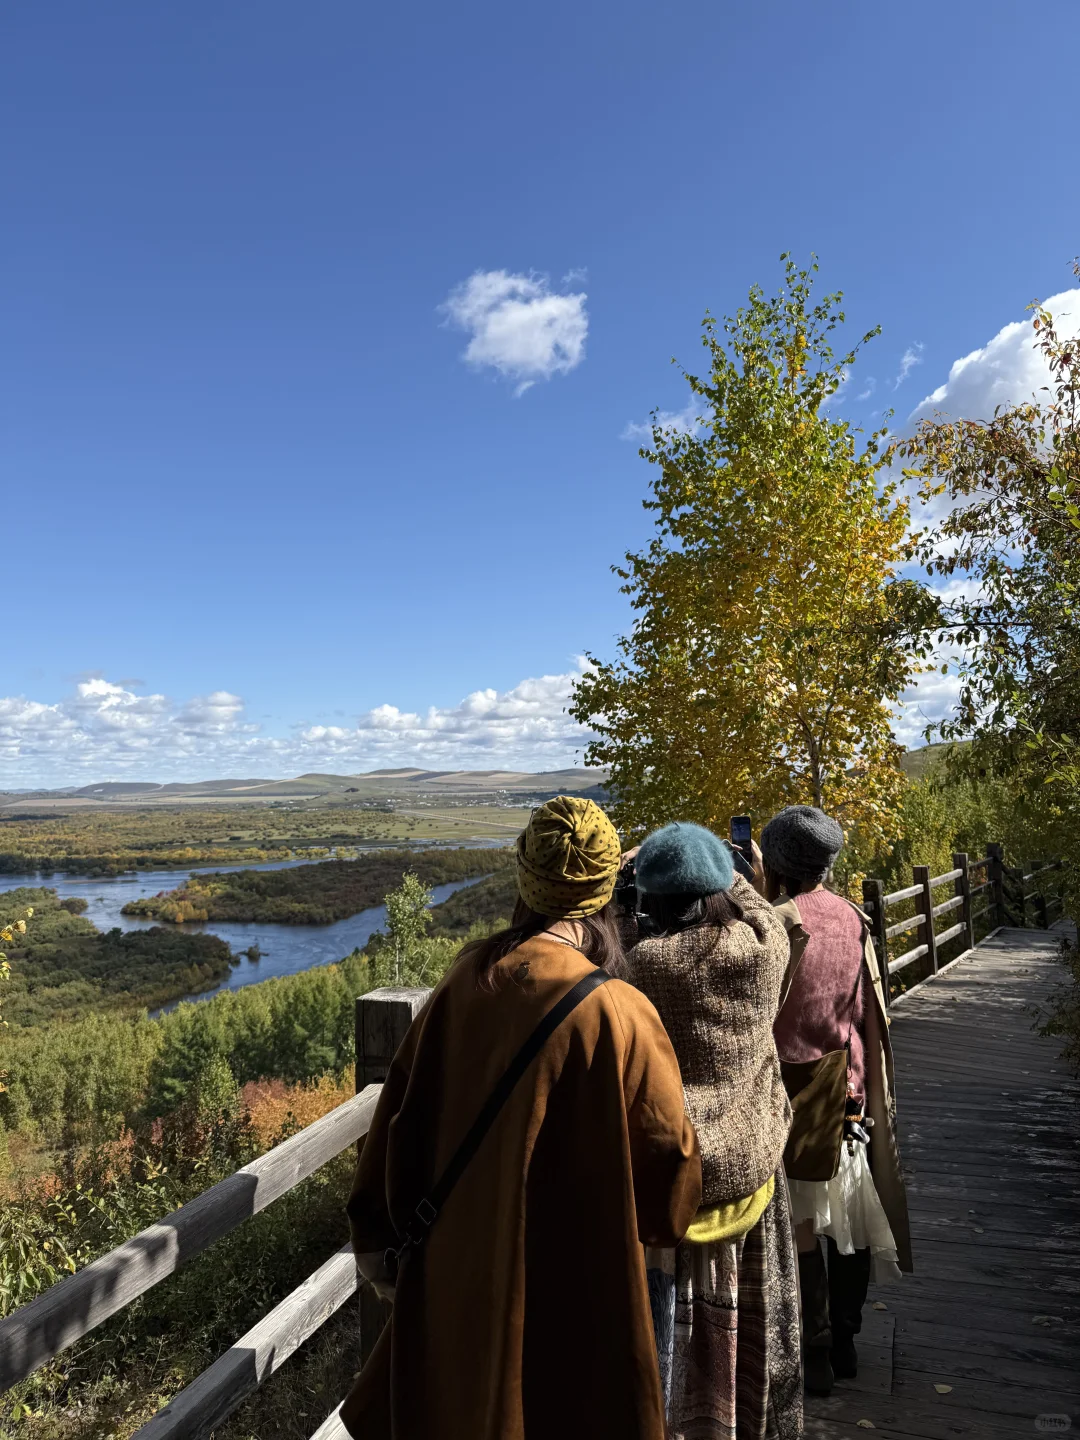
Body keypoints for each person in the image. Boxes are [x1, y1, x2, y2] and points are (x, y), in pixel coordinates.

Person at [341, 796, 703, 1440]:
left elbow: (397, 1117)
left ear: (527, 880)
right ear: (604, 892)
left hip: (459, 1285)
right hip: (583, 1293)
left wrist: (377, 1239)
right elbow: (670, 1175)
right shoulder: (620, 1012)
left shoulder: (463, 984)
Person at [624, 821, 803, 1440]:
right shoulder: (764, 946)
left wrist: (630, 873)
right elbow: (759, 904)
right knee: (750, 1332)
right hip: (754, 1173)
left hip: (681, 1182)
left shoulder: (643, 967)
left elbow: (611, 949)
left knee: (676, 1342)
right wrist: (735, 868)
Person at [762, 805, 913, 1397]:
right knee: (846, 1219)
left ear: (775, 862)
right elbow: (865, 1008)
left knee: (801, 1224)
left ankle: (816, 1345)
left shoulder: (772, 923)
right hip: (845, 1091)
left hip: (786, 1096)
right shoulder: (851, 916)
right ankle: (845, 1341)